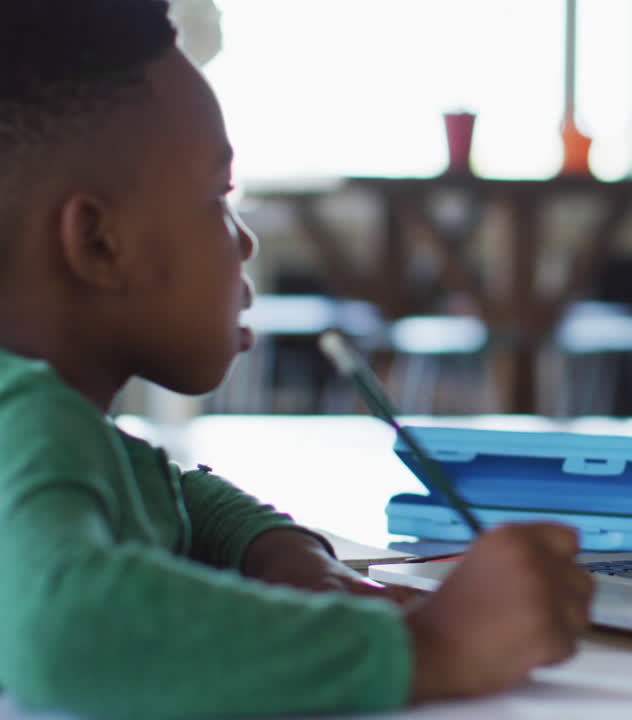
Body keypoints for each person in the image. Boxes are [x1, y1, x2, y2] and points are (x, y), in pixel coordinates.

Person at [0, 2, 591, 718]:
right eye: (219, 198)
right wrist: (434, 647)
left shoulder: (53, 428)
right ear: (98, 244)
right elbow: (67, 634)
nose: (244, 242)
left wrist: (274, 548)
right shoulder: (30, 425)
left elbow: (170, 492)